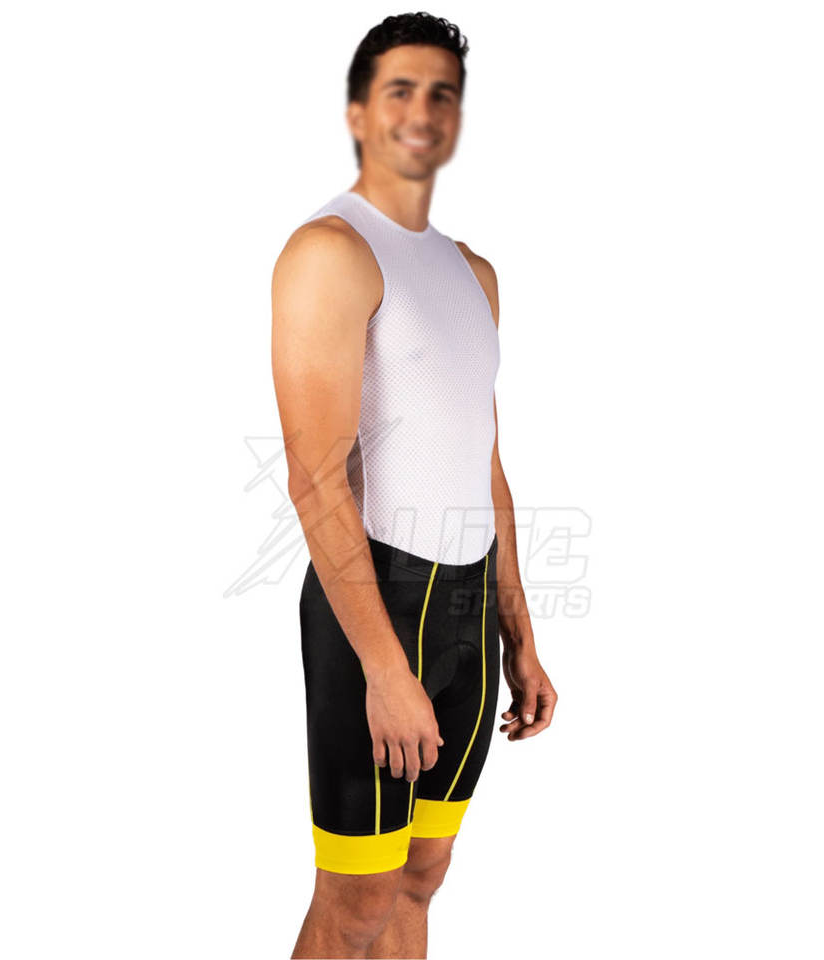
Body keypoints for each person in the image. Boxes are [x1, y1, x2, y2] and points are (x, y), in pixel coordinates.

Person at [271, 13, 557, 959]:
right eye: (400, 89)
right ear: (358, 112)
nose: (423, 109)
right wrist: (386, 671)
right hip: (377, 604)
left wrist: (520, 632)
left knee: (422, 878)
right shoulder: (329, 251)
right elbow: (315, 478)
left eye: (442, 92)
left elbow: (485, 461)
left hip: (469, 607)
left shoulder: (473, 273)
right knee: (356, 900)